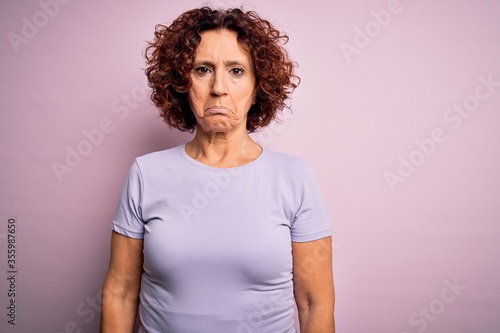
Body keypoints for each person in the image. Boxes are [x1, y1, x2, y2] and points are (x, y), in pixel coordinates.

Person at [100, 6, 335, 333]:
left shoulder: (295, 178)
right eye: (202, 69)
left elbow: (315, 302)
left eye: (236, 70)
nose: (218, 88)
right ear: (182, 83)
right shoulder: (146, 173)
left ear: (258, 86)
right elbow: (120, 293)